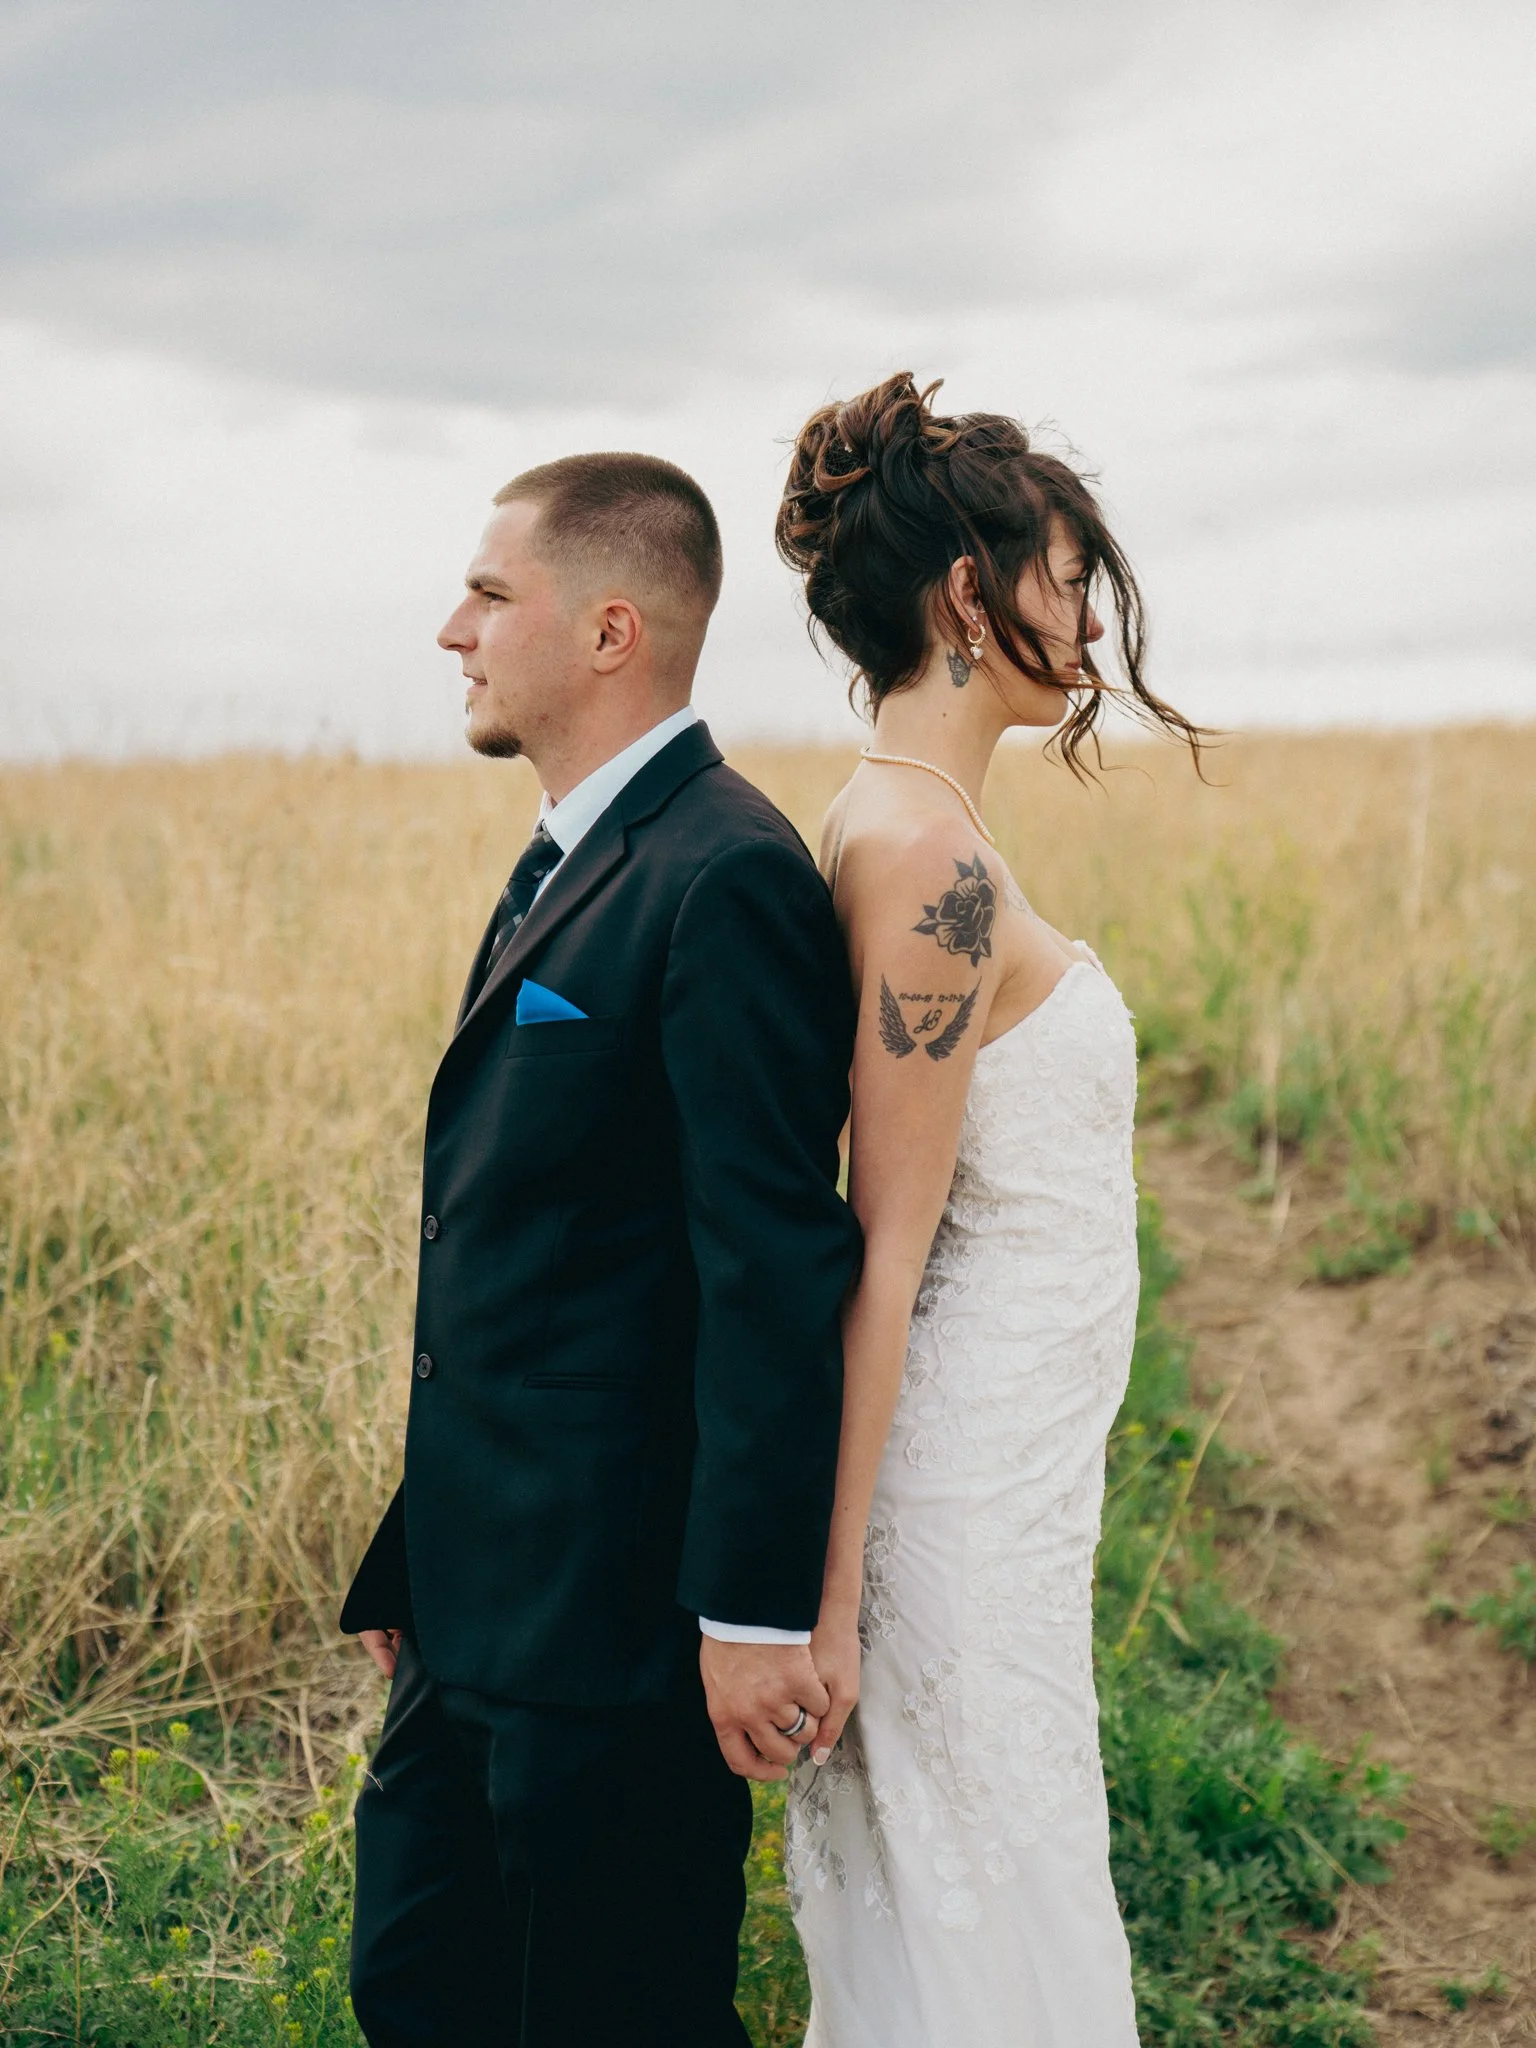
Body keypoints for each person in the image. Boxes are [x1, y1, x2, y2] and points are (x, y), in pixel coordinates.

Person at [339, 452, 862, 2048]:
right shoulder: (566, 859)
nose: (455, 631)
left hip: (621, 1633)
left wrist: (750, 1620)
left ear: (612, 629)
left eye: (492, 597)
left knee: (610, 2014)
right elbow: (534, 1261)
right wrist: (414, 1551)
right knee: (418, 1987)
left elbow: (770, 1272)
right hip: (477, 1599)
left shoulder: (728, 876)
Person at [775, 374, 1205, 2046]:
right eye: (1065, 574)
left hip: (1013, 1486)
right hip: (950, 1509)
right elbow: (882, 1245)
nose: (1089, 614)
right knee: (988, 1912)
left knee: (999, 1883)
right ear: (971, 593)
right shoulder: (928, 866)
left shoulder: (920, 827)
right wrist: (826, 1598)